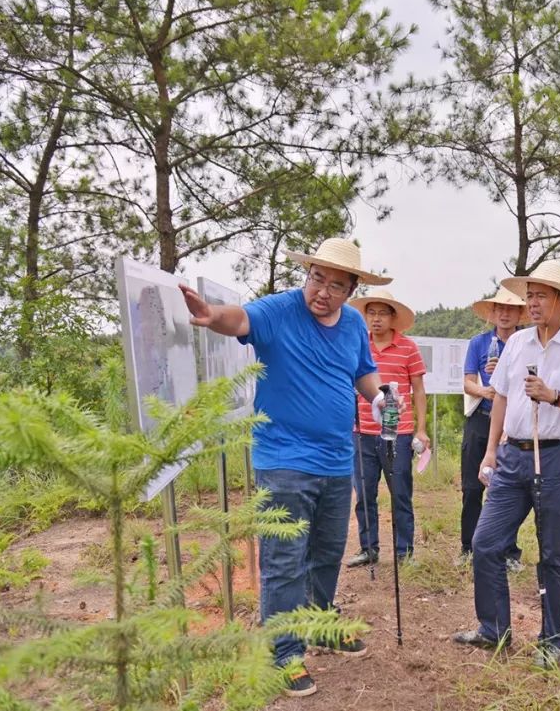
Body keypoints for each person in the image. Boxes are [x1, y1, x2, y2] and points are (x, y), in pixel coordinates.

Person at [178, 237, 391, 698]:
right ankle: (285, 653)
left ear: (351, 289)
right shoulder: (280, 310)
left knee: (328, 553)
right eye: (317, 278)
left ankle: (319, 624)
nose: (323, 292)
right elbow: (241, 319)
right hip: (283, 461)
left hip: (337, 460)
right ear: (308, 274)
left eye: (336, 285)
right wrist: (212, 315)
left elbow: (362, 370)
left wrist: (378, 396)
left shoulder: (354, 323)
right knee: (284, 560)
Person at [452, 260, 560, 668]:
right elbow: (500, 395)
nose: (532, 303)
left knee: (554, 551)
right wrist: (490, 451)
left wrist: (553, 395)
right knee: (486, 543)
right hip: (511, 455)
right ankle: (493, 629)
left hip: (557, 455)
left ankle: (552, 640)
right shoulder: (518, 343)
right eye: (530, 295)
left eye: (541, 295)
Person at [345, 290, 428, 567]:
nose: (376, 319)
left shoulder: (408, 347)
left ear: (393, 317)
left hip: (398, 432)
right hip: (362, 432)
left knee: (401, 494)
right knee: (365, 494)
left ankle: (405, 552)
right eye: (371, 313)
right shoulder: (358, 345)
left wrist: (421, 429)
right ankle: (369, 548)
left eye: (382, 313)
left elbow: (418, 390)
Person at [458, 285, 527, 570]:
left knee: (508, 490)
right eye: (500, 308)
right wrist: (486, 391)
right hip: (480, 419)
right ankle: (467, 547)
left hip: (513, 425)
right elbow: (467, 381)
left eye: (511, 309)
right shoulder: (479, 343)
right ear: (493, 312)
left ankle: (508, 551)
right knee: (472, 488)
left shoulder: (526, 343)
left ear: (519, 313)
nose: (505, 313)